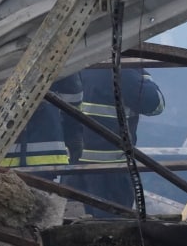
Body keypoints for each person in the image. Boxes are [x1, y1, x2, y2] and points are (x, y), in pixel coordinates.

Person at [62, 67, 165, 217]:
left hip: (74, 169)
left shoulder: (78, 64)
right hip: (111, 173)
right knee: (112, 230)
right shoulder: (124, 70)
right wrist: (144, 76)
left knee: (72, 227)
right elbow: (156, 105)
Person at [0, 74, 84, 171]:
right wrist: (73, 132)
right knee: (45, 205)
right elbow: (72, 92)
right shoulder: (55, 45)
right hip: (47, 154)